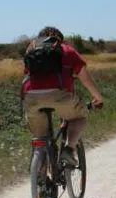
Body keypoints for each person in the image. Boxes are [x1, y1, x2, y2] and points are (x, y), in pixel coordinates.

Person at [21, 26, 104, 167]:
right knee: (78, 117)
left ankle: (40, 176)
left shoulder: (31, 49)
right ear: (60, 39)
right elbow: (85, 79)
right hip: (61, 96)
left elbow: (27, 74)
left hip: (31, 97)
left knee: (40, 139)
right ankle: (69, 149)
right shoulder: (67, 51)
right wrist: (98, 98)